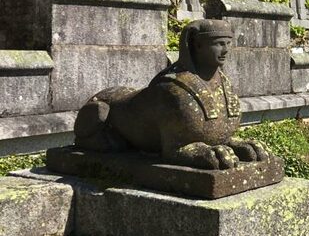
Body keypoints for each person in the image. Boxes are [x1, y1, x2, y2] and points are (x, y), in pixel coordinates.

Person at [73, 19, 269, 169]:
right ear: (197, 46)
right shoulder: (171, 88)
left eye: (228, 43)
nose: (225, 50)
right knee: (100, 112)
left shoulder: (224, 84)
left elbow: (214, 136)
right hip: (107, 117)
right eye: (218, 44)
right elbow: (173, 150)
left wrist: (234, 144)